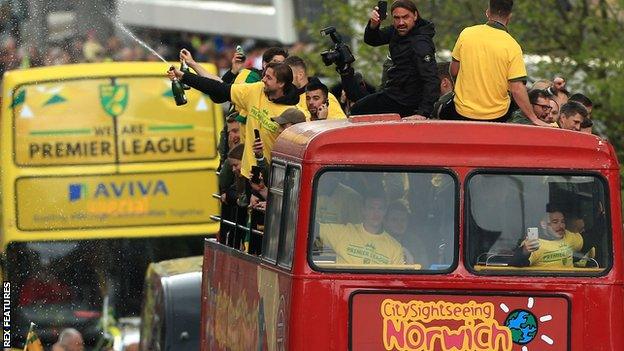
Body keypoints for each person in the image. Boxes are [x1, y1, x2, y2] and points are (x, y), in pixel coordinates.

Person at [168, 61, 302, 180]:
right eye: (264, 75)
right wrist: (184, 77)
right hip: (247, 174)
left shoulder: (292, 113)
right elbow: (219, 88)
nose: (263, 80)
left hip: (273, 181)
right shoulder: (257, 90)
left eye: (269, 78)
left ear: (281, 84)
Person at [443, 0, 550, 126]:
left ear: (487, 13)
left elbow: (454, 70)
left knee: (441, 108)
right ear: (509, 17)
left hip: (462, 112)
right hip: (497, 116)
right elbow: (517, 89)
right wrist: (534, 118)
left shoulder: (467, 34)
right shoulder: (512, 46)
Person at [349, 0, 439, 118]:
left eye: (405, 17)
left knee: (358, 110)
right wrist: (374, 25)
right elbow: (372, 40)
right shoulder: (396, 31)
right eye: (397, 18)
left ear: (415, 16)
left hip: (405, 100)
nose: (401, 22)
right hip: (393, 92)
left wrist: (423, 113)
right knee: (358, 106)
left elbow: (431, 79)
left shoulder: (420, 43)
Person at [317, 191, 405, 265]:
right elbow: (311, 229)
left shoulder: (395, 248)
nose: (376, 213)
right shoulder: (344, 232)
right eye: (371, 208)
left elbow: (397, 280)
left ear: (385, 211)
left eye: (380, 208)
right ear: (363, 210)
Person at [515, 205, 593, 268]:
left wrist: (601, 217)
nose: (561, 226)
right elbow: (515, 266)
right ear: (544, 224)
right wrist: (524, 252)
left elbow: (590, 239)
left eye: (563, 221)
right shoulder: (533, 243)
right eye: (555, 222)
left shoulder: (568, 236)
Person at [284, 55, 346, 120]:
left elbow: (339, 125)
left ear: (300, 75)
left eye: (287, 76)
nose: (283, 79)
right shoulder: (290, 98)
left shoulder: (325, 97)